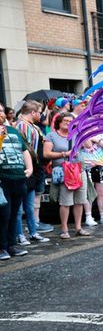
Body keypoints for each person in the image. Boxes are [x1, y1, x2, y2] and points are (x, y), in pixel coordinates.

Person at [43, 112, 90, 239]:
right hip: (65, 171)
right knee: (66, 201)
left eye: (71, 121)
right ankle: (64, 229)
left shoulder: (76, 134)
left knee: (80, 201)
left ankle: (79, 227)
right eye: (66, 121)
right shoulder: (51, 136)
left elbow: (89, 146)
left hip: (79, 170)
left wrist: (83, 131)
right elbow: (46, 154)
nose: (69, 123)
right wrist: (65, 154)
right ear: (59, 122)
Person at [14, 100, 52, 243]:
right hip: (24, 169)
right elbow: (24, 149)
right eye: (40, 112)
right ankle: (20, 235)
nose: (41, 116)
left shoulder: (32, 126)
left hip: (33, 168)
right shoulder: (21, 126)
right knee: (19, 207)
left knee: (29, 206)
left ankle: (33, 232)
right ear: (33, 112)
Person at [0, 109, 34, 260]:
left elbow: (24, 150)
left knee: (15, 214)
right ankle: (1, 247)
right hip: (3, 179)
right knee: (3, 214)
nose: (0, 113)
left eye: (1, 110)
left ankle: (11, 245)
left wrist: (30, 168)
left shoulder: (13, 130)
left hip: (18, 178)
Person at [77, 134, 103, 225]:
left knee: (102, 193)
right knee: (88, 193)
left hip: (101, 165)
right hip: (86, 166)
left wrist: (97, 140)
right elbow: (84, 146)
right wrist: (88, 137)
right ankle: (88, 216)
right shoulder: (82, 133)